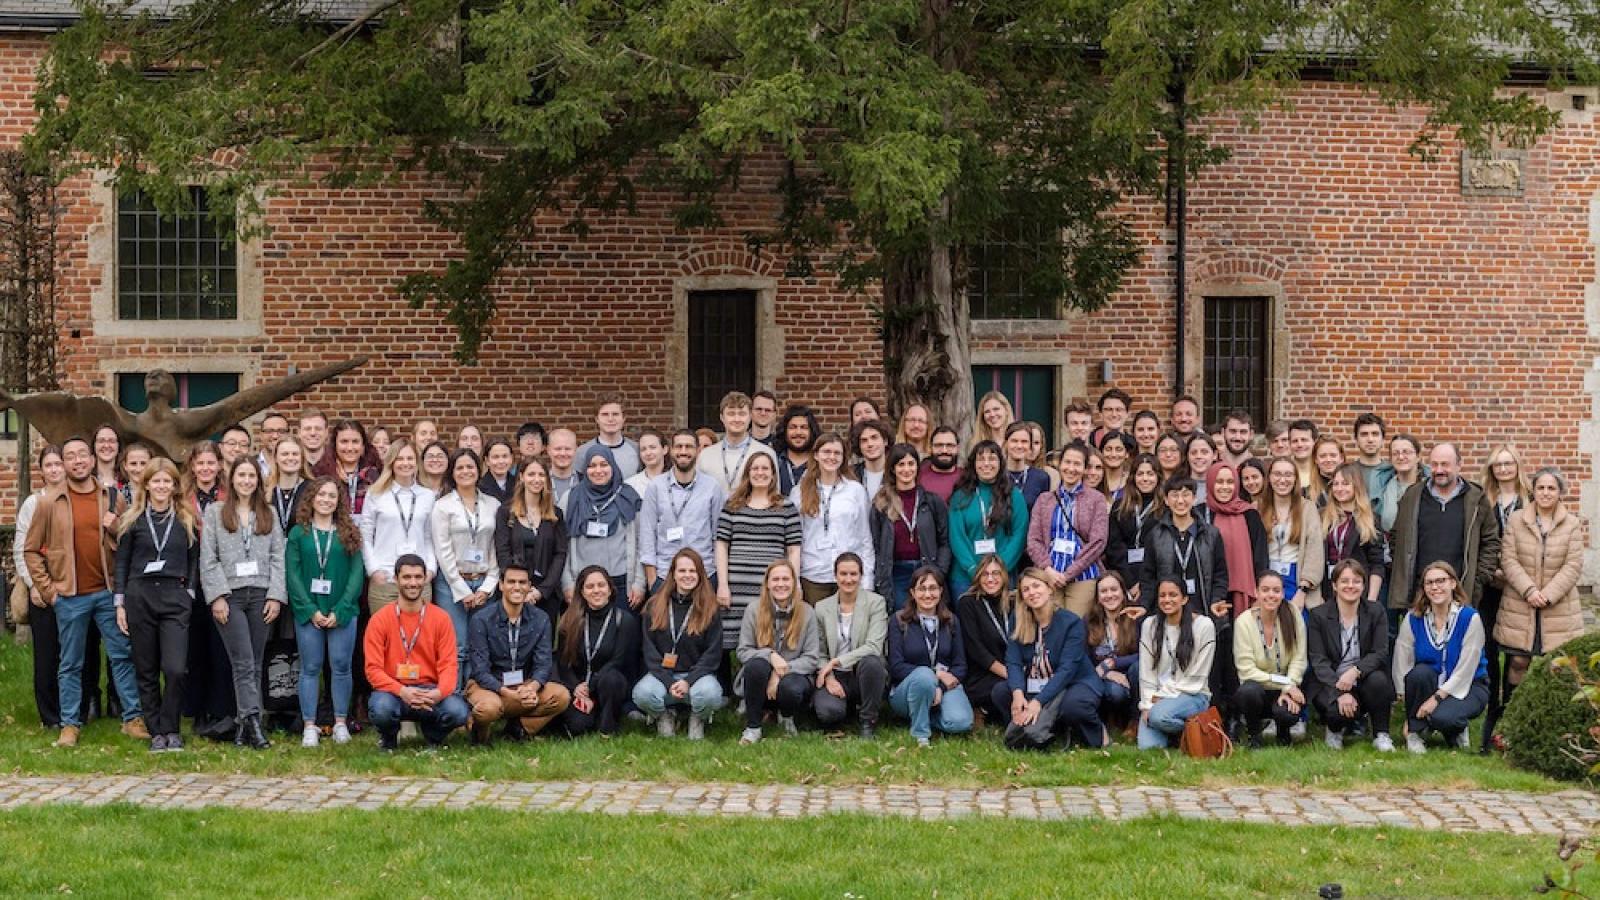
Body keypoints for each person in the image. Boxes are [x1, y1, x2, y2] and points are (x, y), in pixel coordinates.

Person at [26, 436, 145, 747]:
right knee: (71, 662)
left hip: (107, 593)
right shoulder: (49, 503)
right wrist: (49, 590)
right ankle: (69, 725)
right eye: (71, 456)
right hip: (69, 597)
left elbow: (128, 544)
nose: (77, 461)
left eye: (83, 455)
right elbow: (31, 551)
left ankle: (132, 718)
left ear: (93, 461)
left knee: (122, 655)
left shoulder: (111, 497)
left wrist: (115, 526)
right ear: (63, 464)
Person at [199, 456, 287, 749]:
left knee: (255, 661)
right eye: (241, 476)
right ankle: (253, 722)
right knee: (243, 661)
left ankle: (242, 726)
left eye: (252, 476)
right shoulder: (214, 513)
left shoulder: (270, 514)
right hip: (231, 597)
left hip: (261, 594)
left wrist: (276, 595)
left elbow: (278, 557)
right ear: (231, 480)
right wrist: (218, 597)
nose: (247, 481)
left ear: (258, 481)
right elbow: (208, 558)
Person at [113, 459, 200, 752]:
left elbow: (194, 559)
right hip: (140, 596)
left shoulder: (185, 518)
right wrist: (120, 603)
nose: (162, 486)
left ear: (174, 486)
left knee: (175, 668)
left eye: (167, 481)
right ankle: (157, 732)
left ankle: (171, 726)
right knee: (146, 667)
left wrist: (189, 592)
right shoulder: (133, 519)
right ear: (146, 484)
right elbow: (122, 563)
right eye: (156, 481)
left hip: (175, 596)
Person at [1495, 467, 1584, 735]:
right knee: (1518, 663)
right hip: (1520, 605)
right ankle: (1511, 720)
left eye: (1551, 488)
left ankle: (1551, 724)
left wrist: (1549, 594)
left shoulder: (1572, 524)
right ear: (1533, 490)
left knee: (1554, 667)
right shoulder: (1517, 520)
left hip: (1558, 609)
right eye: (1541, 488)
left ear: (1560, 493)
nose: (1545, 493)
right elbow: (1508, 559)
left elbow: (1574, 563)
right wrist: (1529, 590)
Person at [1389, 443, 1501, 635]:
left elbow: (1490, 541)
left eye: (1445, 464)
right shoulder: (1413, 496)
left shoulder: (1476, 499)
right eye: (1434, 465)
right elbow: (1396, 537)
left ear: (1459, 465)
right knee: (1420, 651)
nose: (1439, 470)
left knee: (1459, 651)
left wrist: (1478, 579)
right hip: (1420, 593)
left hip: (1461, 591)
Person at [285, 477, 364, 747]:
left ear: (339, 501)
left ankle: (340, 721)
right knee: (310, 667)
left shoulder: (348, 531)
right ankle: (310, 725)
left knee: (341, 667)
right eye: (321, 495)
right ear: (311, 498)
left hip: (342, 610)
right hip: (309, 611)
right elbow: (292, 575)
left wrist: (341, 609)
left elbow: (356, 574)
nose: (326, 500)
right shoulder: (299, 533)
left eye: (332, 496)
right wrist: (309, 609)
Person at [364, 554, 470, 750]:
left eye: (418, 577)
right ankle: (388, 739)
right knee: (381, 709)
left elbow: (449, 665)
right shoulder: (380, 620)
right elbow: (373, 670)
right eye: (406, 577)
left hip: (430, 690)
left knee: (458, 712)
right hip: (394, 691)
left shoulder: (441, 618)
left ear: (425, 579)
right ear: (396, 580)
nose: (413, 583)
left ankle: (433, 736)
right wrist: (402, 691)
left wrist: (438, 694)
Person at [465, 563, 570, 745]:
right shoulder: (481, 619)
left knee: (561, 696)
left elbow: (543, 663)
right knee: (488, 709)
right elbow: (480, 671)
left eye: (522, 582)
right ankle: (479, 735)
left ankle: (518, 729)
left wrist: (532, 688)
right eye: (511, 582)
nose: (517, 587)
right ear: (501, 585)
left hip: (524, 685)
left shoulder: (540, 618)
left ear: (529, 586)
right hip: (489, 687)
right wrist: (508, 693)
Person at [1393, 561, 1490, 753]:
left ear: (1453, 584)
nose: (1435, 587)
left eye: (1441, 581)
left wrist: (1436, 699)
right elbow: (1402, 659)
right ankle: (1415, 733)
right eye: (1429, 583)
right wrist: (1408, 704)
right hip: (1430, 680)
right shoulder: (1414, 618)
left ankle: (1455, 729)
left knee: (1444, 718)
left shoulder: (1470, 618)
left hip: (1469, 685)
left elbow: (1466, 669)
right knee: (1418, 674)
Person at [714, 453, 803, 662]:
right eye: (755, 468)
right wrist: (722, 584)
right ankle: (730, 692)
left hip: (771, 587)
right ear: (748, 473)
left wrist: (795, 584)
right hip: (737, 585)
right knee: (730, 641)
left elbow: (794, 550)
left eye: (765, 469)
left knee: (767, 636)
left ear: (773, 475)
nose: (760, 473)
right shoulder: (733, 505)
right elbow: (721, 545)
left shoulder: (786, 507)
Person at [1003, 567, 1104, 749]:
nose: (1032, 592)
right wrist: (1017, 695)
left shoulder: (1071, 622)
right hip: (1036, 680)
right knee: (1001, 692)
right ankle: (1043, 726)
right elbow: (1013, 660)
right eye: (1026, 589)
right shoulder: (1018, 620)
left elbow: (1067, 670)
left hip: (1074, 681)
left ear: (1050, 589)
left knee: (1074, 707)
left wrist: (1037, 702)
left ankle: (1098, 733)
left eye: (1036, 586)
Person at [632, 549, 724, 739]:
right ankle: (664, 716)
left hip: (697, 678)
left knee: (711, 695)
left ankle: (698, 717)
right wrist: (668, 681)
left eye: (692, 571)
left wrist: (688, 681)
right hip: (663, 676)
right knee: (642, 693)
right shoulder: (654, 605)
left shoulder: (710, 607)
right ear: (672, 574)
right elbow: (649, 651)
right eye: (682, 571)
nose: (687, 576)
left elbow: (712, 654)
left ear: (700, 575)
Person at [1307, 559, 1395, 751]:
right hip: (1331, 681)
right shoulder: (1319, 615)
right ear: (1334, 586)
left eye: (1356, 581)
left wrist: (1355, 671)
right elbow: (1318, 660)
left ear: (1363, 585)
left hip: (1363, 679)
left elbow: (1380, 652)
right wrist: (1340, 692)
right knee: (1333, 711)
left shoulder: (1375, 611)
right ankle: (1334, 729)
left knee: (1379, 680)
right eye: (1344, 581)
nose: (1350, 586)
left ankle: (1381, 734)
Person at [431, 448, 501, 684]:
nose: (465, 471)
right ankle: (454, 698)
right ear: (452, 471)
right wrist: (461, 589)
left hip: (483, 582)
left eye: (470, 466)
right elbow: (443, 549)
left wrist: (487, 586)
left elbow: (496, 547)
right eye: (459, 467)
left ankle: (476, 700)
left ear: (479, 469)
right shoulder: (443, 506)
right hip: (451, 583)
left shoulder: (493, 504)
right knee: (457, 644)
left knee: (480, 645)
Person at [1478, 442, 1531, 746]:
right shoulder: (1485, 500)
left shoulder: (1529, 500)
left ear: (1517, 466)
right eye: (1498, 464)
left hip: (1518, 587)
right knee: (1489, 648)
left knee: (1516, 653)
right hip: (1489, 584)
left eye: (1508, 463)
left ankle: (1511, 710)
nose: (1503, 469)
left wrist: (1512, 575)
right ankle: (1490, 709)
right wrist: (1491, 571)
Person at [736, 559, 820, 743]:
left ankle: (786, 717)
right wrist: (770, 655)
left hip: (794, 676)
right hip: (760, 680)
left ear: (794, 583)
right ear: (767, 584)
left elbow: (812, 658)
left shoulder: (807, 612)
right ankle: (753, 727)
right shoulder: (753, 609)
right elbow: (743, 651)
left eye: (785, 579)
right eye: (775, 580)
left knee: (790, 687)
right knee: (756, 666)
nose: (780, 584)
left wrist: (780, 672)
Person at [181, 442, 233, 738]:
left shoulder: (228, 497)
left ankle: (220, 708)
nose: (205, 469)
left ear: (218, 465)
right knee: (194, 649)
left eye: (210, 463)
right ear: (193, 467)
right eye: (200, 463)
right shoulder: (183, 498)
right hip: (191, 581)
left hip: (222, 580)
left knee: (221, 648)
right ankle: (197, 710)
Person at [887, 567, 972, 747]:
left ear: (941, 591)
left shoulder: (951, 621)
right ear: (912, 592)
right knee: (924, 675)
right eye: (922, 589)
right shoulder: (899, 621)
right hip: (907, 690)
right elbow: (896, 666)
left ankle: (927, 714)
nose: (927, 594)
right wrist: (936, 674)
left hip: (945, 687)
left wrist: (939, 686)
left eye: (933, 588)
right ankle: (921, 733)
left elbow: (960, 665)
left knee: (961, 723)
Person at [16, 445, 69, 728]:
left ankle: (74, 709)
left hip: (72, 586)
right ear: (41, 470)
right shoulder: (33, 504)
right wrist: (33, 584)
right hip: (43, 586)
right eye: (48, 465)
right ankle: (50, 715)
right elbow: (22, 549)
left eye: (58, 464)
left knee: (71, 653)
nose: (54, 469)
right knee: (47, 654)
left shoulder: (74, 499)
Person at [554, 566, 640, 737]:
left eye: (601, 585)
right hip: (577, 687)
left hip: (606, 686)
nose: (596, 591)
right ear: (582, 592)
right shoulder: (570, 620)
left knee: (613, 679)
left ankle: (609, 725)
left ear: (610, 589)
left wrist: (590, 687)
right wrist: (577, 687)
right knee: (579, 727)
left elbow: (618, 661)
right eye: (590, 587)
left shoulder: (624, 620)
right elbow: (563, 661)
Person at [1027, 441, 1108, 618]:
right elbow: (1034, 540)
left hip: (1083, 576)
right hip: (1048, 575)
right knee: (1050, 627)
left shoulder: (1096, 500)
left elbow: (1098, 542)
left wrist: (1069, 573)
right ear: (1059, 464)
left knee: (1076, 627)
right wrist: (1048, 569)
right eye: (1067, 462)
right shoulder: (1044, 500)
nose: (1071, 468)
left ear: (1085, 469)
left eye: (1077, 464)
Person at [791, 433, 875, 603]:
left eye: (837, 453)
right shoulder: (799, 491)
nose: (831, 457)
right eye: (826, 452)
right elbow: (794, 540)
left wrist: (867, 580)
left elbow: (865, 537)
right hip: (813, 575)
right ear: (816, 455)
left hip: (848, 576)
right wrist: (795, 580)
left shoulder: (855, 490)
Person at [812, 553, 889, 737]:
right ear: (835, 576)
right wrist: (829, 676)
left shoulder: (875, 603)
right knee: (828, 713)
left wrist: (837, 660)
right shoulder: (822, 607)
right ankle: (844, 710)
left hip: (862, 671)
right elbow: (819, 652)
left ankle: (867, 720)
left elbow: (873, 646)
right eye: (843, 574)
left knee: (872, 661)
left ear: (861, 576)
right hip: (836, 676)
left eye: (853, 574)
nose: (848, 579)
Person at [639, 430, 727, 591]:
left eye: (689, 447)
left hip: (704, 575)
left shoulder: (711, 487)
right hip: (665, 575)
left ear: (698, 450)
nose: (683, 452)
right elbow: (647, 535)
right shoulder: (656, 487)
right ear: (671, 450)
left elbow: (718, 536)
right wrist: (652, 581)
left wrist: (720, 582)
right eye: (679, 446)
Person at [1136, 577, 1217, 750]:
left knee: (1158, 717)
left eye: (1173, 595)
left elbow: (1197, 677)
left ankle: (1199, 727)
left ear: (1184, 599)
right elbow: (1146, 672)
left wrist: (1161, 698)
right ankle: (1185, 732)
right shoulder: (1149, 625)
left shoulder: (1203, 625)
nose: (1167, 600)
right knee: (1148, 748)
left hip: (1193, 694)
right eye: (1162, 595)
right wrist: (1147, 706)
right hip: (1157, 698)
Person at [870, 443, 951, 613]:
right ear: (892, 469)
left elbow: (945, 541)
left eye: (911, 464)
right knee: (902, 619)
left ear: (917, 467)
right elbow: (876, 544)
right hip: (897, 572)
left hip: (927, 569)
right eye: (901, 464)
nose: (906, 469)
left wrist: (939, 572)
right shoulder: (881, 504)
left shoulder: (932, 501)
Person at [563, 444, 644, 611]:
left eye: (604, 464)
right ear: (585, 469)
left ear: (613, 466)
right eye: (592, 466)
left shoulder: (628, 496)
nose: (598, 470)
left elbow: (641, 542)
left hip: (622, 584)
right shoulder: (571, 498)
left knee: (623, 632)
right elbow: (562, 546)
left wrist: (639, 582)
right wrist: (567, 583)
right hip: (584, 586)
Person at [1231, 571, 1306, 748]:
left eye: (1276, 590)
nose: (1271, 595)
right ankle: (1254, 734)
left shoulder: (1293, 614)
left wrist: (1289, 687)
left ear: (1282, 593)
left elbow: (1299, 658)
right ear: (1256, 592)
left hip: (1286, 689)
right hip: (1258, 688)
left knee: (1288, 712)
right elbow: (1246, 670)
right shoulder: (1244, 622)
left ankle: (1283, 733)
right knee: (1247, 692)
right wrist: (1285, 683)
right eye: (1265, 590)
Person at [492, 457, 569, 626]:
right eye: (531, 474)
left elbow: (560, 554)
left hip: (545, 593)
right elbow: (503, 551)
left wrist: (541, 591)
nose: (536, 479)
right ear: (521, 477)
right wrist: (518, 587)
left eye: (541, 475)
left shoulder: (555, 515)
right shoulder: (506, 512)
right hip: (514, 590)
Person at [947, 441, 1029, 598]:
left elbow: (1019, 535)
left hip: (1003, 576)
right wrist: (973, 570)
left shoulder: (1014, 496)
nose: (986, 464)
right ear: (973, 464)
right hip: (965, 577)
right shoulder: (960, 497)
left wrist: (998, 571)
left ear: (1000, 463)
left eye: (992, 458)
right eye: (981, 459)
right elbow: (957, 537)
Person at [362, 440, 437, 611]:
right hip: (385, 578)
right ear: (391, 462)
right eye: (400, 459)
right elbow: (365, 536)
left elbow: (429, 537)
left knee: (419, 635)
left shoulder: (427, 496)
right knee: (385, 636)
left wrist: (431, 569)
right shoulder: (375, 494)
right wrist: (373, 570)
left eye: (410, 458)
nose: (405, 463)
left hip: (418, 580)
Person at [1138, 477, 1228, 616]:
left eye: (1186, 494)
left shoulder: (1211, 534)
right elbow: (1148, 577)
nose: (1180, 501)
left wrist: (1216, 600)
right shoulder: (1155, 535)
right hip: (1168, 614)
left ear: (1194, 499)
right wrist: (1144, 605)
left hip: (1203, 611)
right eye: (1174, 495)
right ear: (1166, 500)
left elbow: (1220, 574)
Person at [1259, 456, 1325, 609]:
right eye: (1277, 474)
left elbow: (1314, 550)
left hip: (1296, 579)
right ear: (1269, 478)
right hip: (1266, 579)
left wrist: (1303, 590)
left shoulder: (1307, 508)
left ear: (1296, 479)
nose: (1282, 480)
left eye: (1288, 475)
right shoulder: (1259, 508)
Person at [1320, 463, 1385, 605]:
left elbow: (1377, 563)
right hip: (1327, 588)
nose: (1339, 488)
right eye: (1335, 484)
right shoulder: (1322, 517)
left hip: (1357, 588)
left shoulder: (1370, 519)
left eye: (1345, 484)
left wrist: (1371, 599)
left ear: (1356, 486)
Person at [1206, 465, 1267, 614]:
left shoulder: (1249, 514)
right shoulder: (1201, 513)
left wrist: (1260, 592)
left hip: (1242, 594)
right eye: (1219, 482)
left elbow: (1260, 558)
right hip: (1209, 592)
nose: (1225, 487)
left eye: (1230, 482)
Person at [1085, 572, 1142, 732]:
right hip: (1103, 676)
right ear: (1097, 596)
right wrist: (1107, 672)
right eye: (1104, 591)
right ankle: (1112, 720)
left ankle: (1135, 721)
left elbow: (1146, 652)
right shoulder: (1089, 621)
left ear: (1123, 592)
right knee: (1115, 692)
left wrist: (1115, 663)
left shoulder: (1136, 617)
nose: (1109, 595)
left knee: (1138, 668)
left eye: (1114, 589)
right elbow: (1084, 657)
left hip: (1132, 673)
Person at [1106, 454, 1161, 605]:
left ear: (1158, 477)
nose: (1145, 479)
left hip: (1154, 578)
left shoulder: (1165, 509)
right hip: (1124, 577)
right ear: (1133, 477)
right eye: (1140, 474)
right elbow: (1114, 547)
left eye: (1150, 474)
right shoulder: (1119, 506)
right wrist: (1130, 582)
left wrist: (1145, 582)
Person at [698, 391, 777, 494]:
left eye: (742, 414)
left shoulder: (766, 453)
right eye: (731, 414)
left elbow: (774, 494)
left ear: (750, 417)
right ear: (722, 417)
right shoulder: (706, 455)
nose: (736, 419)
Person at [314, 418, 380, 515]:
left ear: (363, 446)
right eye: (344, 441)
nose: (350, 448)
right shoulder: (321, 473)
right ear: (335, 444)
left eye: (355, 441)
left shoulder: (374, 475)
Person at [579, 397, 641, 479]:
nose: (610, 419)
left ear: (624, 418)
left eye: (615, 414)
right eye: (605, 414)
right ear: (597, 419)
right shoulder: (583, 451)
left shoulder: (637, 449)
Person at [266, 436, 312, 535]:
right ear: (276, 458)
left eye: (295, 454)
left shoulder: (312, 489)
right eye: (285, 454)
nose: (290, 458)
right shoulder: (265, 490)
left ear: (302, 458)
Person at [1002, 423, 1051, 512]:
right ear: (1006, 443)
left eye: (1024, 441)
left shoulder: (1041, 478)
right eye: (1014, 441)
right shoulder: (996, 475)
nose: (1019, 446)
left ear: (1030, 446)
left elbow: (1044, 513)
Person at [1352, 413, 1395, 509]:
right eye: (1364, 434)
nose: (1370, 439)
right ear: (1356, 439)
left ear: (1383, 439)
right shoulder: (1347, 472)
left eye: (1375, 434)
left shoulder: (1392, 472)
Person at [776, 405, 820, 495]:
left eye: (804, 427)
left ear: (812, 431)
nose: (798, 432)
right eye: (793, 427)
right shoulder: (774, 461)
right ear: (784, 431)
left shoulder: (820, 463)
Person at [917, 426, 962, 502]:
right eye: (939, 445)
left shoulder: (967, 477)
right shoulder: (917, 476)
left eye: (950, 445)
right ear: (930, 448)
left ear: (957, 448)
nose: (944, 450)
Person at [851, 419, 893, 499]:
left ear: (885, 441)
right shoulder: (851, 474)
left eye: (874, 438)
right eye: (864, 440)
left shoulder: (896, 472)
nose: (870, 444)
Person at [626, 429, 668, 499]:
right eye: (643, 449)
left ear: (665, 449)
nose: (648, 453)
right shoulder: (630, 485)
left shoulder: (677, 481)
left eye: (652, 447)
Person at [547, 428, 581, 507]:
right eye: (558, 449)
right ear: (548, 450)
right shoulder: (540, 481)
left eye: (568, 449)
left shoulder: (585, 481)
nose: (563, 453)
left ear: (576, 450)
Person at [1309, 436, 1346, 505]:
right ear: (1316, 459)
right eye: (1323, 456)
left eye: (1333, 455)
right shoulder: (1306, 493)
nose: (1328, 459)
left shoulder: (1354, 488)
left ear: (1341, 458)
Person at [1183, 434, 1218, 504]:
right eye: (1193, 452)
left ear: (1215, 455)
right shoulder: (1178, 486)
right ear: (1187, 456)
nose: (1198, 456)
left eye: (1204, 452)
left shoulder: (1222, 486)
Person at [1286, 419, 1318, 493]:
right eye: (1295, 441)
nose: (1299, 445)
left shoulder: (1322, 471)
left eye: (1304, 440)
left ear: (1314, 442)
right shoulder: (1284, 471)